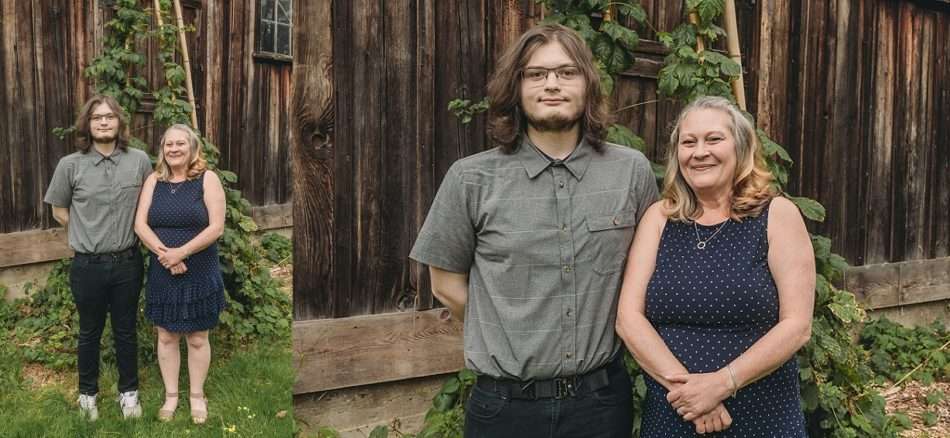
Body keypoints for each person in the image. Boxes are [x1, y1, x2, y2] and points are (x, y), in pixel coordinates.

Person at [409, 24, 657, 438]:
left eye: (566, 72)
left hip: (601, 405)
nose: (552, 85)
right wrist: (509, 331)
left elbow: (649, 275)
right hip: (504, 410)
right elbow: (446, 285)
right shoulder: (471, 179)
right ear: (517, 88)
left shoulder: (630, 172)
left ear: (588, 84)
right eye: (536, 74)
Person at [616, 96, 815, 436]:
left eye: (714, 139)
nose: (699, 152)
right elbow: (628, 319)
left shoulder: (777, 216)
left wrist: (722, 384)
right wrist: (690, 394)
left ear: (741, 147)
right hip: (674, 413)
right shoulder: (659, 219)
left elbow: (796, 325)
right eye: (688, 142)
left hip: (761, 414)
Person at [44, 95, 153, 420]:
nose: (103, 122)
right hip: (87, 265)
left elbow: (149, 206)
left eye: (109, 117)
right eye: (96, 118)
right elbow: (58, 210)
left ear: (119, 122)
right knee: (89, 332)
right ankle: (87, 396)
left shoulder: (139, 161)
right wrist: (87, 230)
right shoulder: (70, 165)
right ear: (87, 125)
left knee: (125, 331)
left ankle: (129, 394)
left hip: (127, 263)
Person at [133, 123, 226, 424]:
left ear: (192, 148)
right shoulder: (154, 180)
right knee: (167, 334)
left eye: (180, 144)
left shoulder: (207, 179)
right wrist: (167, 255)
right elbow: (140, 225)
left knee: (198, 336)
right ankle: (171, 396)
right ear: (162, 150)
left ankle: (197, 395)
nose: (173, 149)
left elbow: (216, 227)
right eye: (168, 144)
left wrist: (181, 253)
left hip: (199, 266)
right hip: (163, 266)